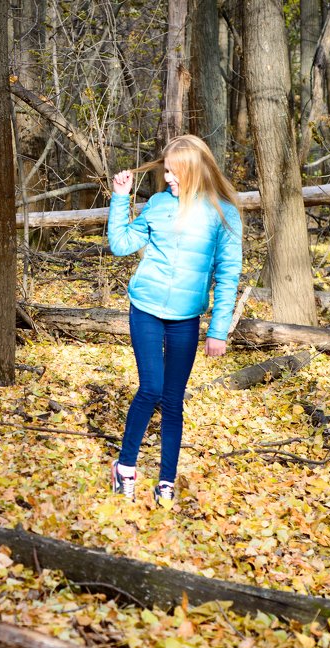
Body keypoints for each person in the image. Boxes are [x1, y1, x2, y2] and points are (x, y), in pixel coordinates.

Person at [107, 134, 243, 506]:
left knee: (173, 398)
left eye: (175, 171)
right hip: (147, 307)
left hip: (186, 317)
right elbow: (120, 245)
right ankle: (125, 468)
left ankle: (166, 480)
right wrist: (120, 198)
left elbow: (228, 274)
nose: (168, 177)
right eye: (166, 170)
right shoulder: (158, 204)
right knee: (150, 388)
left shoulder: (223, 213)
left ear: (194, 171)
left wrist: (218, 330)